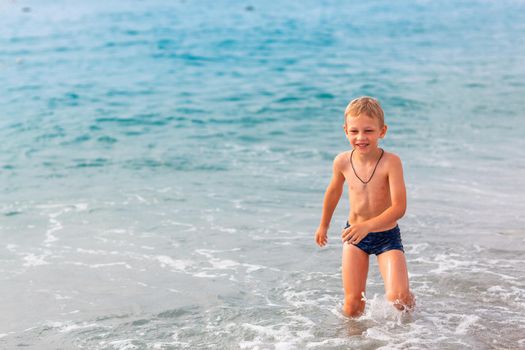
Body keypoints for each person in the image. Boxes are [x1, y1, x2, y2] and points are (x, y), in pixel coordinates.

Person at [314, 96, 415, 317]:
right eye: (354, 131)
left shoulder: (391, 162)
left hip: (386, 236)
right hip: (355, 236)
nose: (361, 137)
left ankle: (412, 325)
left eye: (368, 131)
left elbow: (399, 207)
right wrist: (323, 225)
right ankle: (353, 341)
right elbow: (333, 192)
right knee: (352, 306)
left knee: (398, 299)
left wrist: (367, 226)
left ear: (382, 131)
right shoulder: (341, 161)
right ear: (345, 131)